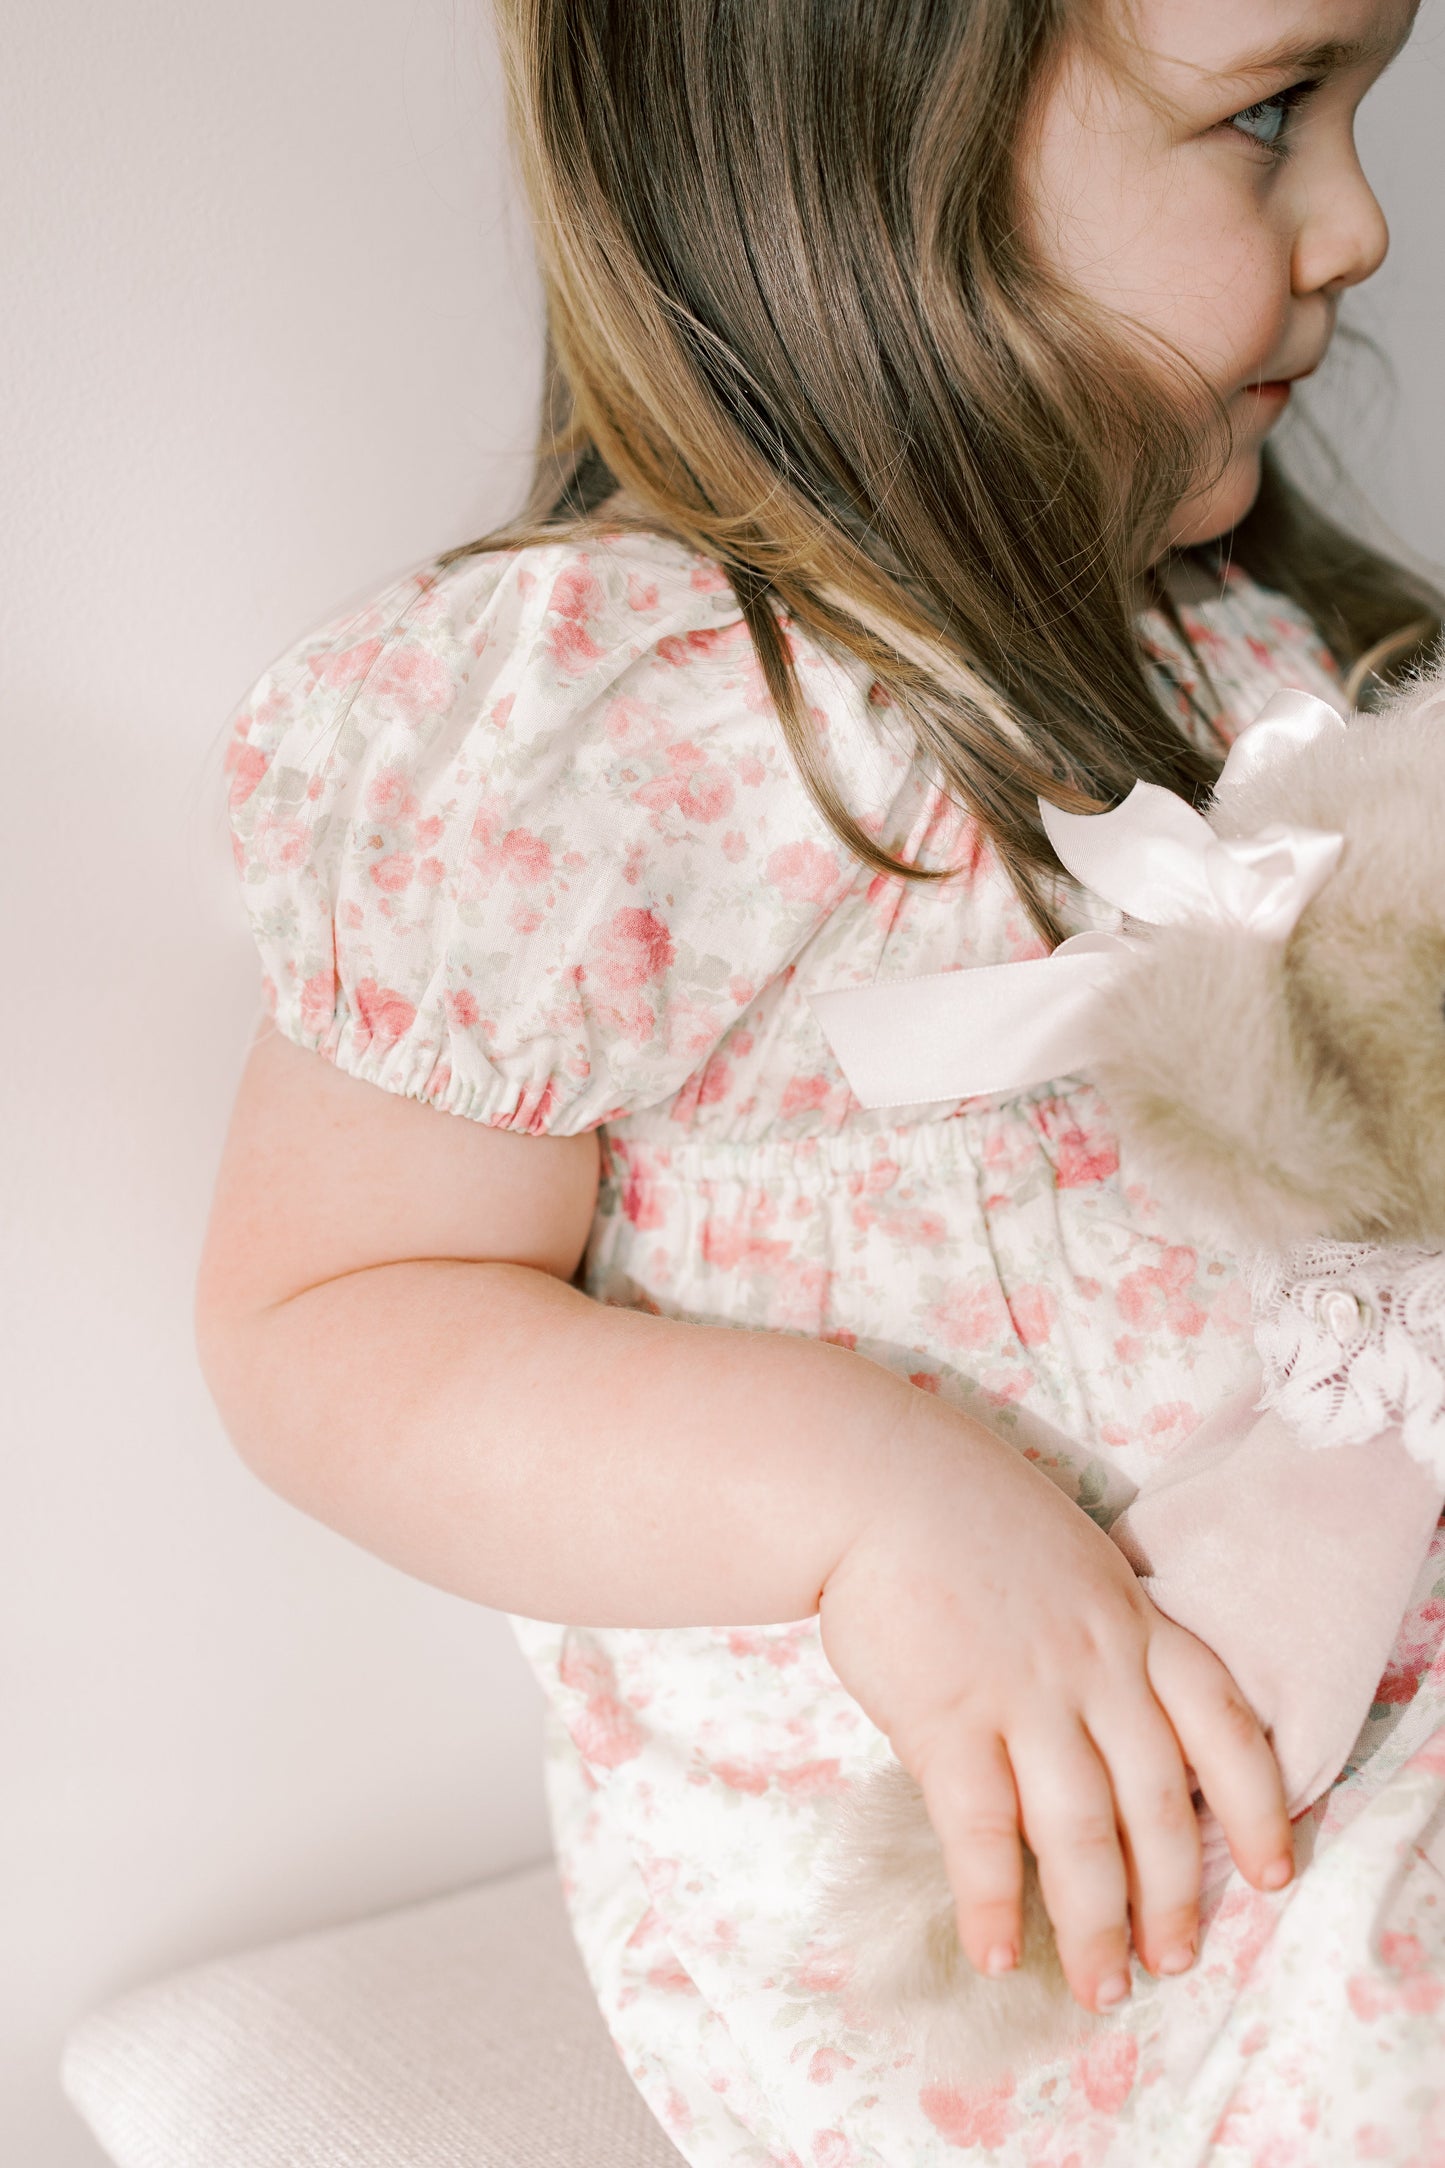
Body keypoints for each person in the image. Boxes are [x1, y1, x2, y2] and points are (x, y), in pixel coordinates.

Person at [196, 0, 1445, 2157]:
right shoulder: (605, 731)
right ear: (862, 133)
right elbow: (324, 1317)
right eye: (1266, 116)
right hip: (1053, 1894)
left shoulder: (1248, 648)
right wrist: (873, 1500)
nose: (1356, 227)